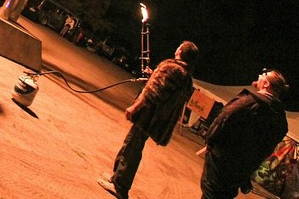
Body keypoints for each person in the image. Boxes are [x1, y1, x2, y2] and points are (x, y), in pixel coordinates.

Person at [98, 41, 199, 199]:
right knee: (131, 145)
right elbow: (165, 88)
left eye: (179, 46)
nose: (177, 47)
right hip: (156, 120)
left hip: (148, 117)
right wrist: (153, 74)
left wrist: (135, 107)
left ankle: (120, 186)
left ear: (181, 51)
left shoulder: (173, 69)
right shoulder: (185, 76)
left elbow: (155, 92)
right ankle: (116, 178)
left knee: (132, 147)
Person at [200, 69, 289, 199]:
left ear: (266, 85)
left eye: (264, 75)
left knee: (211, 195)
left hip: (221, 165)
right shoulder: (280, 120)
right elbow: (265, 150)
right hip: (241, 172)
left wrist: (210, 143)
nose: (259, 75)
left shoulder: (248, 103)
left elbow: (221, 121)